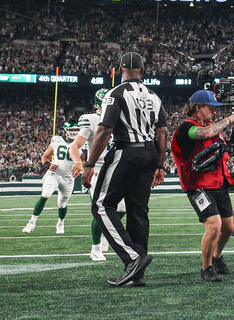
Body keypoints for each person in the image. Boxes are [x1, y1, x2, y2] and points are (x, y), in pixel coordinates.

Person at [82, 52, 166, 287]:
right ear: (143, 70)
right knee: (138, 211)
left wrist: (89, 164)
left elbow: (105, 130)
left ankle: (132, 259)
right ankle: (137, 275)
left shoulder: (115, 93)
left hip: (126, 152)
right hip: (149, 153)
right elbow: (162, 134)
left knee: (100, 205)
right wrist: (159, 164)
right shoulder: (154, 96)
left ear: (120, 71)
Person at [171, 90, 234, 282]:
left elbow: (223, 146)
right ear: (198, 108)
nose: (214, 111)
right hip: (198, 184)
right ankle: (206, 268)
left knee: (228, 226)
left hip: (217, 182)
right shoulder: (186, 128)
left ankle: (217, 256)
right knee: (214, 225)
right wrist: (229, 119)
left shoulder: (211, 126)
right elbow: (204, 134)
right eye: (210, 107)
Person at [70, 88, 126, 261]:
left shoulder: (119, 119)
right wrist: (79, 162)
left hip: (115, 167)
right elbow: (74, 146)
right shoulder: (92, 119)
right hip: (97, 169)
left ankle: (103, 232)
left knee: (122, 208)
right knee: (100, 209)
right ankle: (95, 249)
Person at [22, 120, 77, 236]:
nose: (74, 132)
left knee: (62, 204)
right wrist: (48, 165)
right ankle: (32, 222)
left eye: (76, 130)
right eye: (71, 130)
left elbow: (83, 160)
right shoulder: (57, 140)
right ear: (65, 130)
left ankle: (60, 222)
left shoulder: (81, 143)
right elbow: (45, 157)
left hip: (68, 178)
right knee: (45, 194)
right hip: (54, 174)